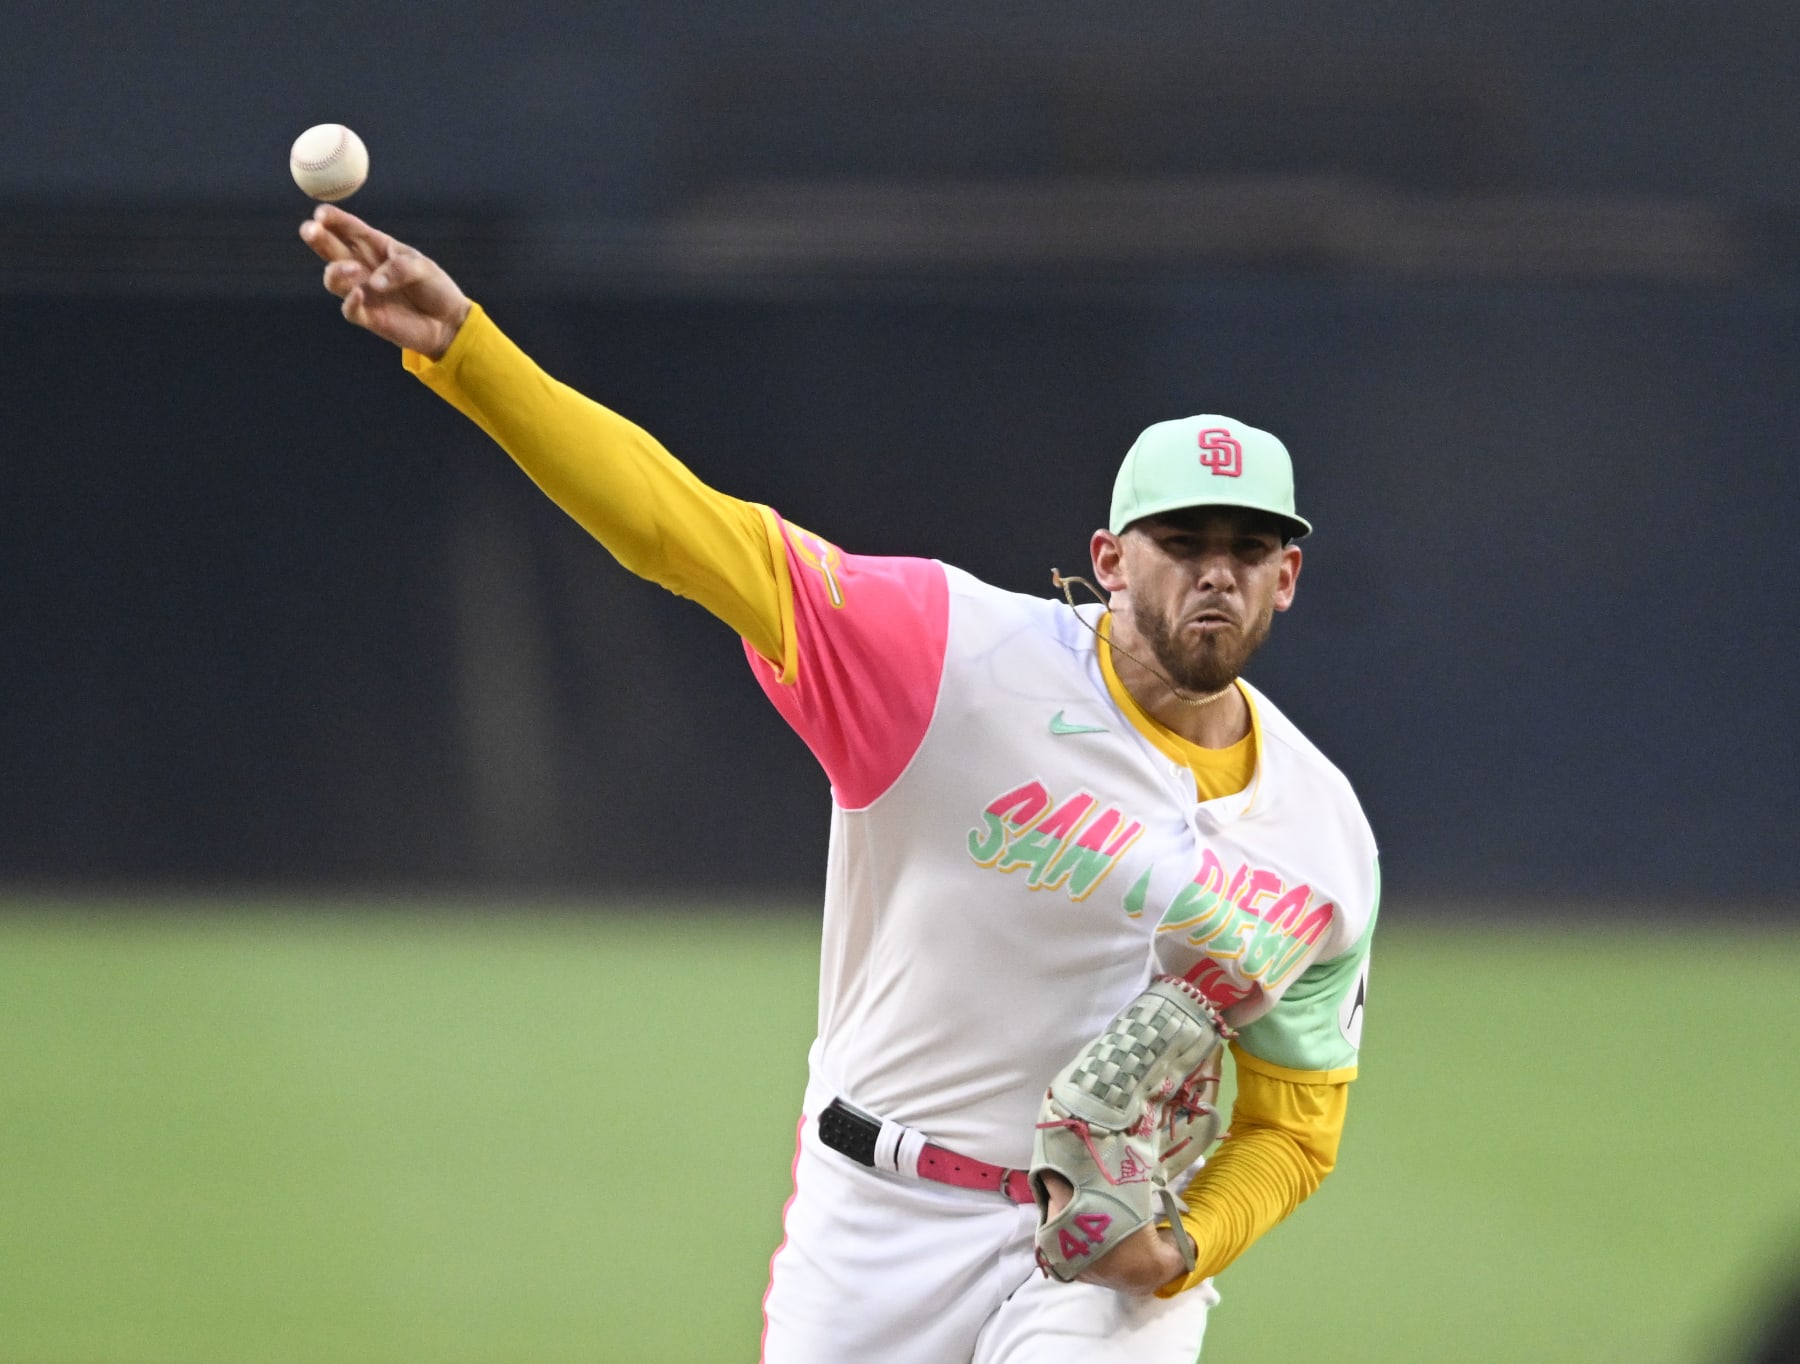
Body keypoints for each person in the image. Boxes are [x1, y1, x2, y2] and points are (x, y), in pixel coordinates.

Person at [300, 204, 1379, 1363]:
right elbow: (682, 530)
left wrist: (1185, 1245)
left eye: (1249, 546)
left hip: (1097, 1258)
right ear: (1112, 559)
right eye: (1184, 538)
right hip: (878, 1218)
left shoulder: (1322, 835)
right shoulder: (948, 655)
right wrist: (472, 352)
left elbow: (1295, 1123)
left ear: (1288, 575)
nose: (1216, 570)